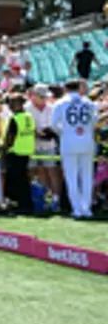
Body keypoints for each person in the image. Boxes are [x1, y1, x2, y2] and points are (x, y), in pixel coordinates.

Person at [53, 79, 96, 219]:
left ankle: (77, 209)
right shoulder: (89, 103)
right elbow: (94, 121)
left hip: (69, 142)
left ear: (65, 89)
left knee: (72, 176)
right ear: (79, 88)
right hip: (87, 140)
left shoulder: (60, 103)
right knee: (87, 176)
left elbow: (53, 124)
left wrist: (64, 132)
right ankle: (86, 209)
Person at [0, 93, 35, 216]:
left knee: (17, 180)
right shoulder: (29, 117)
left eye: (12, 103)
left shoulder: (15, 119)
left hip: (15, 152)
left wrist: (4, 150)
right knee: (24, 179)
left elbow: (10, 138)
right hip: (27, 151)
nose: (10, 106)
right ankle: (26, 203)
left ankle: (21, 204)